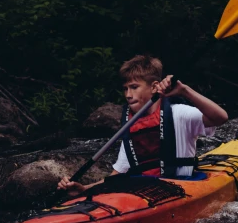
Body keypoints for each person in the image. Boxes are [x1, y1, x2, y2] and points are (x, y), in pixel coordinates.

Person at [57, 54, 228, 197]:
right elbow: (119, 175)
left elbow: (221, 117)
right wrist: (84, 189)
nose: (128, 95)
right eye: (125, 89)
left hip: (182, 189)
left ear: (154, 87)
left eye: (134, 87)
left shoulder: (179, 113)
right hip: (144, 193)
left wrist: (184, 90)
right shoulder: (130, 125)